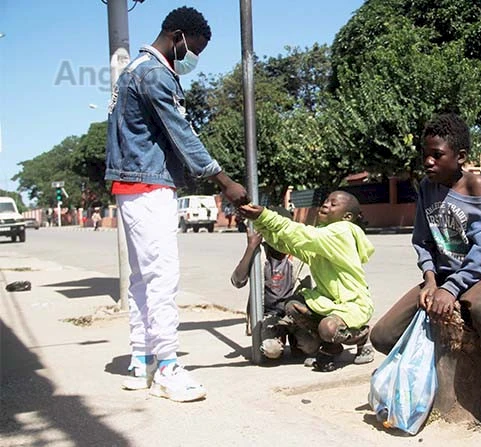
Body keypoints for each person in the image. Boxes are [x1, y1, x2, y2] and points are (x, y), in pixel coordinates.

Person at [369, 113, 481, 438]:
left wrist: (451, 289)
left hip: (479, 276)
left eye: (437, 155)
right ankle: (423, 382)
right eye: (425, 154)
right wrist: (429, 281)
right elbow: (422, 240)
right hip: (438, 277)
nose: (428, 161)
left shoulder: (475, 185)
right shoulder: (426, 188)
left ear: (460, 157)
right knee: (382, 335)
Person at [105, 6, 248, 402]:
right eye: (193, 48)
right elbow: (180, 131)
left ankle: (142, 361)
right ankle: (168, 367)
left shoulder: (133, 70)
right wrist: (223, 180)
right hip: (149, 186)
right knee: (162, 277)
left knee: (141, 280)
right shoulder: (154, 74)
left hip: (130, 185)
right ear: (178, 35)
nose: (192, 57)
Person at [238, 191, 375, 372]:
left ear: (347, 216)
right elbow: (289, 244)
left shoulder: (342, 231)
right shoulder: (323, 238)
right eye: (326, 201)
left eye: (333, 204)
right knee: (293, 306)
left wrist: (265, 215)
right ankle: (332, 346)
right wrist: (261, 224)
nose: (326, 205)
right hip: (330, 303)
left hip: (352, 305)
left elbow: (301, 233)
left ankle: (362, 336)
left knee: (328, 329)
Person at [231, 206, 309, 360]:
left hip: (294, 315)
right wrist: (251, 247)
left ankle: (295, 339)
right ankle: (277, 337)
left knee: (308, 348)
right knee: (271, 351)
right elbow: (237, 281)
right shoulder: (260, 253)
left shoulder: (298, 254)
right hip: (269, 315)